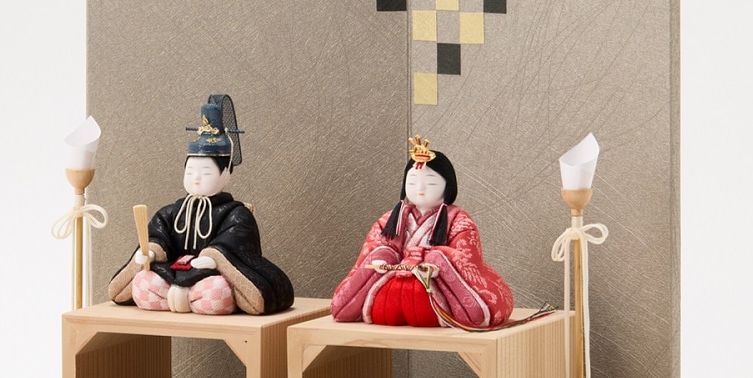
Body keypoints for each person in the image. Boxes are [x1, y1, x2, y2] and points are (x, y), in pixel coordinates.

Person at [108, 95, 294, 316]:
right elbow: (158, 237)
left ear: (226, 174)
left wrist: (215, 257)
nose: (196, 178)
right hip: (173, 273)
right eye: (190, 172)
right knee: (144, 281)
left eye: (205, 172)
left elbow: (237, 244)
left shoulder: (236, 214)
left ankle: (189, 298)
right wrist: (150, 253)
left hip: (210, 275)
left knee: (217, 289)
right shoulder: (172, 212)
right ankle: (175, 297)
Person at [331, 137, 513, 328]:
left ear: (448, 186)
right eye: (412, 182)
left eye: (431, 183)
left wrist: (432, 257)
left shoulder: (459, 220)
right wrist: (385, 260)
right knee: (383, 260)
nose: (420, 189)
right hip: (392, 283)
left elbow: (468, 260)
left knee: (428, 284)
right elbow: (372, 251)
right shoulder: (390, 219)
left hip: (433, 285)